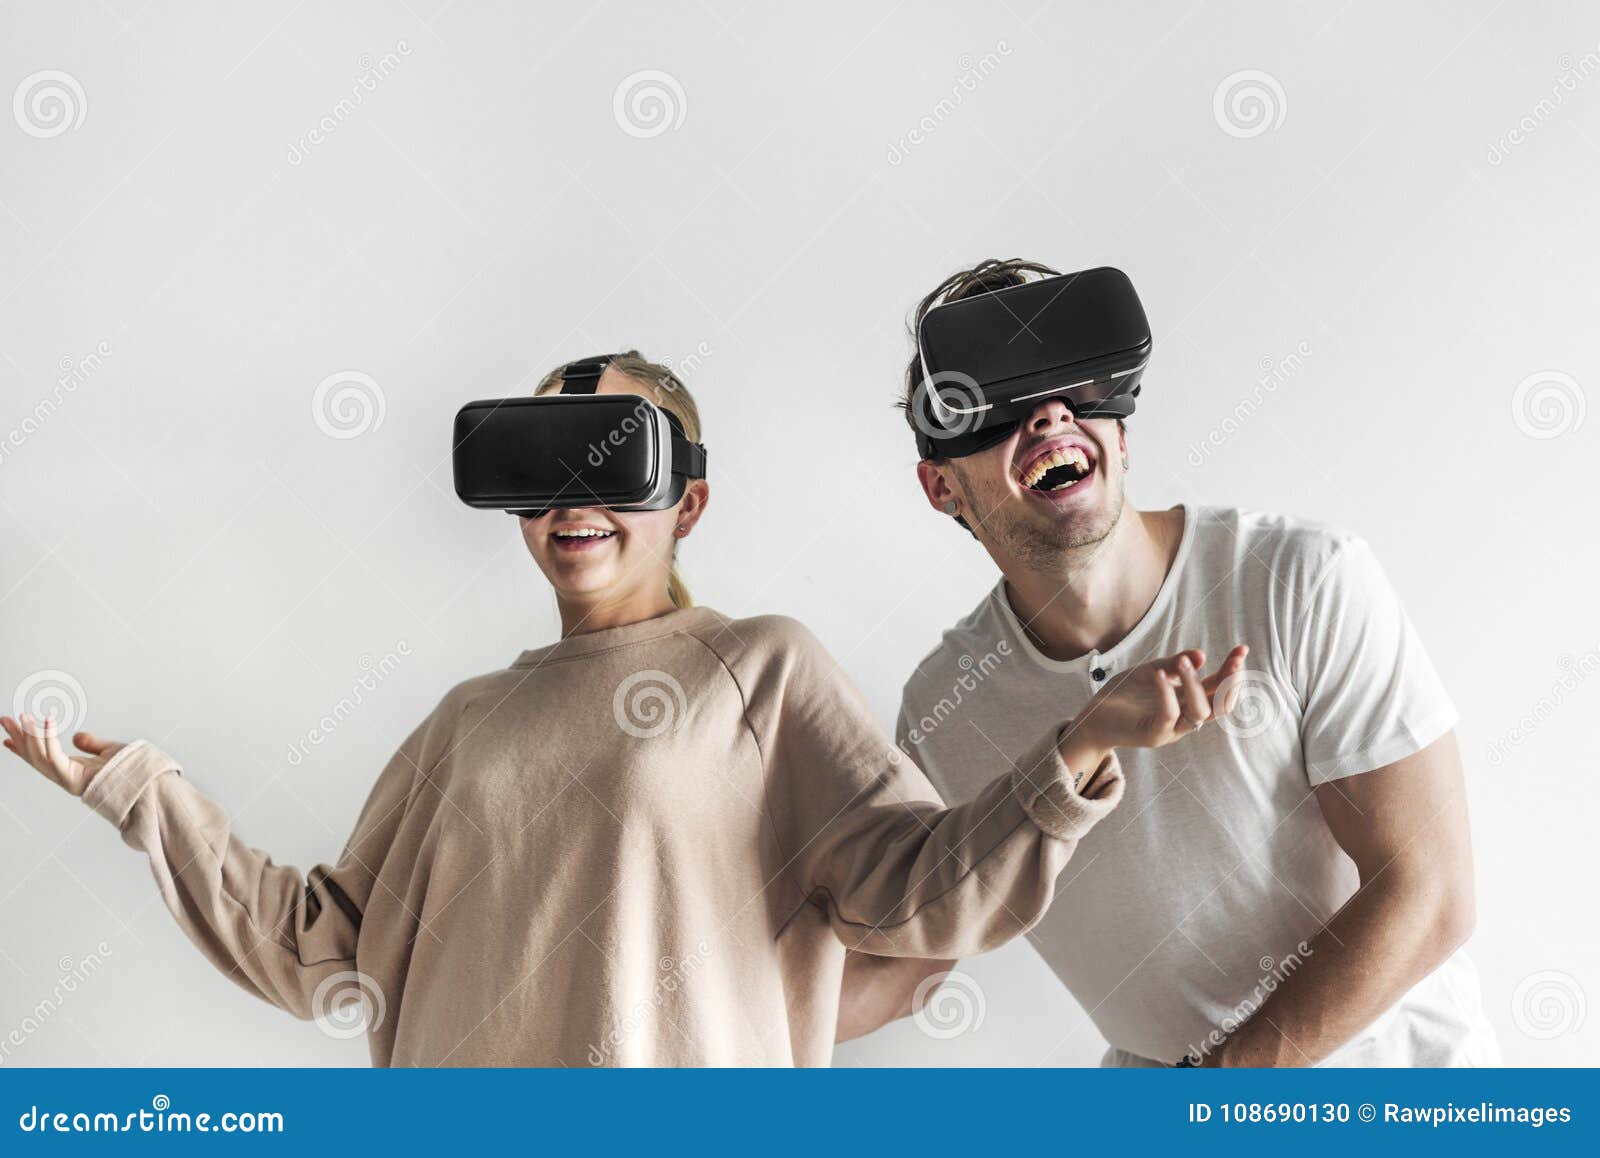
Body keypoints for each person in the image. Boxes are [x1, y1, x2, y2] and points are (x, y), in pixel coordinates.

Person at [2, 350, 1240, 1067]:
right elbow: (324, 950)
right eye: (541, 466)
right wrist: (142, 793)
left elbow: (918, 901)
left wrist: (1078, 748)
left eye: (610, 458)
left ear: (687, 502)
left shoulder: (758, 670)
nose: (571, 498)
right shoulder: (467, 722)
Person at [894, 258, 1500, 1067]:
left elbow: (1431, 894)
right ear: (943, 487)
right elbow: (906, 956)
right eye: (995, 407)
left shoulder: (1300, 579)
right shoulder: (941, 712)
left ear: (1120, 432)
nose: (1047, 415)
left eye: (1074, 388)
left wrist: (1217, 1092)